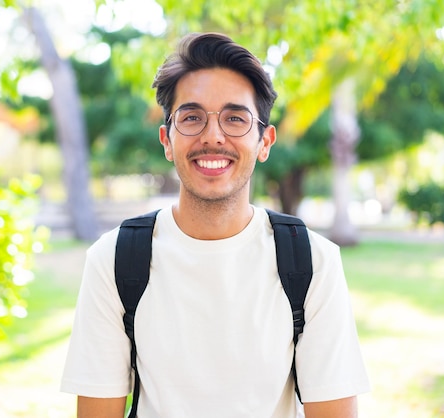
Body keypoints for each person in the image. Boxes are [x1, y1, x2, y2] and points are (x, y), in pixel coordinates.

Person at [60, 32, 370, 418]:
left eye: (235, 118)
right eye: (191, 118)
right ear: (167, 140)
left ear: (265, 142)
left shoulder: (312, 262)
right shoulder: (114, 259)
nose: (212, 136)